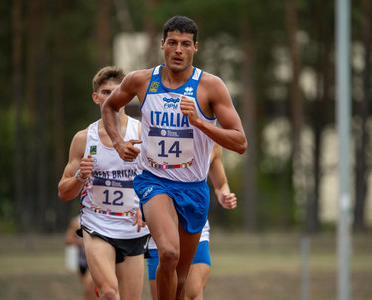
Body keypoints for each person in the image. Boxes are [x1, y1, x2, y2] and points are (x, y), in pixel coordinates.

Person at [101, 15, 247, 300]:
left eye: (185, 44)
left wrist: (201, 121)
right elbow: (110, 106)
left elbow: (240, 142)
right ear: (162, 45)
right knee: (168, 251)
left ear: (195, 48)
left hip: (193, 188)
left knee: (181, 280)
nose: (178, 49)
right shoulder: (141, 81)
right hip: (153, 180)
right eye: (172, 43)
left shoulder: (210, 87)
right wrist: (118, 144)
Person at [58, 66, 149, 300]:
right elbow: (64, 192)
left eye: (116, 91)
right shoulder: (83, 139)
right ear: (96, 97)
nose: (111, 97)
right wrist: (80, 176)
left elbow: (159, 181)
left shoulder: (142, 133)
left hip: (133, 227)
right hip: (97, 224)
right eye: (105, 92)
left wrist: (145, 206)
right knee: (109, 292)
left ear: (126, 95)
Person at [146, 143, 237, 300]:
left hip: (194, 226)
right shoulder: (156, 130)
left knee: (192, 293)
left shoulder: (211, 142)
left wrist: (224, 194)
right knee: (166, 295)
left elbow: (221, 183)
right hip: (162, 229)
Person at [65, 216, 97, 300]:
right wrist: (82, 242)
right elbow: (68, 240)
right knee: (87, 290)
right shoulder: (76, 222)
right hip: (82, 261)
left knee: (89, 285)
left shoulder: (99, 219)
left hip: (94, 260)